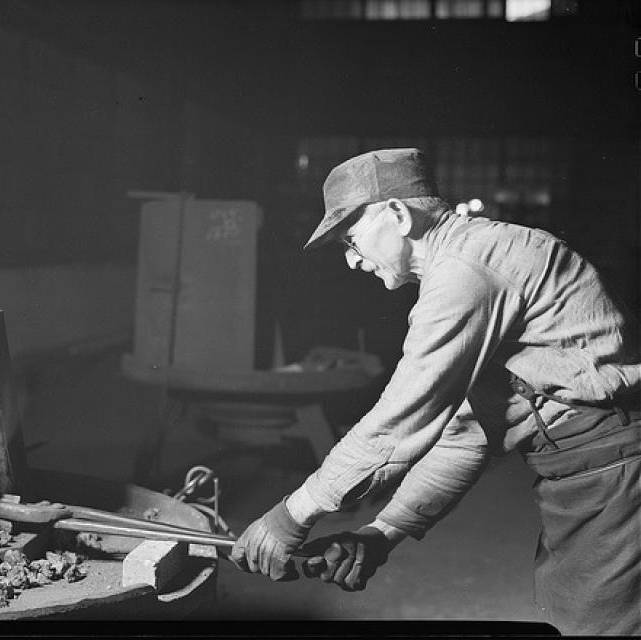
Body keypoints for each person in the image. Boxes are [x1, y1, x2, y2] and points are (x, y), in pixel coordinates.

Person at [229, 148, 640, 635]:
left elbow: (396, 425)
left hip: (616, 469)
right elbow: (468, 432)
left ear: (398, 215)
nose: (351, 260)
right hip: (585, 475)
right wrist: (381, 533)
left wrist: (290, 516)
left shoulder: (463, 275)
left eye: (352, 237)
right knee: (570, 614)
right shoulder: (468, 263)